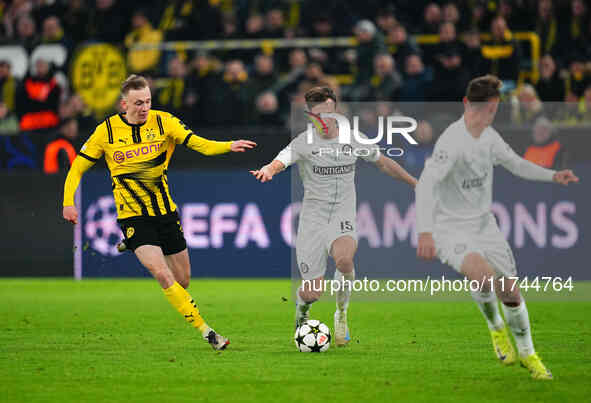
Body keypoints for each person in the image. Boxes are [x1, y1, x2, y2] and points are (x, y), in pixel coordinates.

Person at [61, 74, 256, 350]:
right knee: (162, 275)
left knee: (183, 281)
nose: (144, 107)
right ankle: (208, 332)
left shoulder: (164, 121)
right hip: (132, 216)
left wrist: (228, 146)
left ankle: (132, 244)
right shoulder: (105, 132)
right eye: (138, 102)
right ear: (123, 104)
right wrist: (68, 201)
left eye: (148, 101)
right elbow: (77, 168)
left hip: (165, 213)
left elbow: (198, 143)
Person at [415, 75, 579, 380]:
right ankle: (496, 329)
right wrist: (424, 230)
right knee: (482, 275)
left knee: (511, 294)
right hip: (450, 228)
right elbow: (426, 184)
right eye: (480, 110)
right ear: (466, 105)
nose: (484, 117)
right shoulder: (451, 142)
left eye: (490, 110)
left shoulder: (489, 139)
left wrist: (553, 176)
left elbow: (516, 164)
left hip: (484, 226)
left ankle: (529, 355)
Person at [250, 86, 417, 346]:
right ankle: (301, 314)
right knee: (312, 292)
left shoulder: (353, 138)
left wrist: (415, 183)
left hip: (342, 214)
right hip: (312, 220)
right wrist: (268, 170)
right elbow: (279, 161)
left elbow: (383, 162)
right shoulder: (303, 143)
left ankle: (341, 314)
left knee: (344, 260)